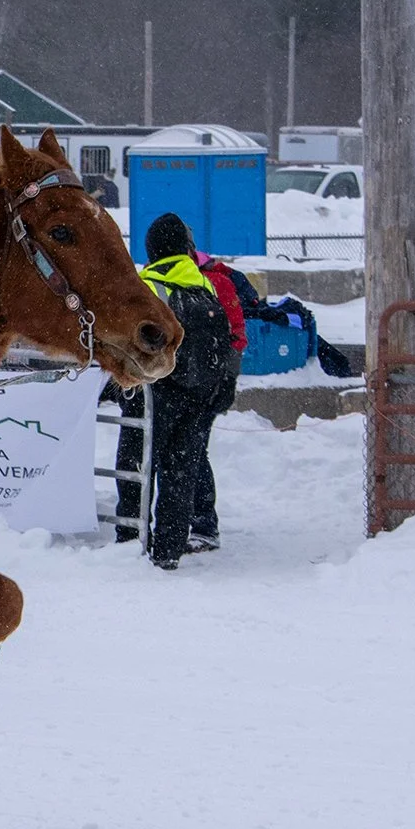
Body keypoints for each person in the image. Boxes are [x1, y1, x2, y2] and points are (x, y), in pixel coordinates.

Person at [115, 216, 234, 570]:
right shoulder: (204, 284)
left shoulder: (147, 286)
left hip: (154, 392)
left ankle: (129, 541)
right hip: (197, 395)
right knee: (181, 469)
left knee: (136, 463)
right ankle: (169, 549)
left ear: (151, 249)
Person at [190, 246, 260, 550]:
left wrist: (226, 381)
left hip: (202, 383)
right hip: (195, 381)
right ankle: (192, 523)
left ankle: (202, 524)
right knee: (190, 454)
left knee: (191, 453)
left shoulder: (216, 282)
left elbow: (235, 334)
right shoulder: (213, 279)